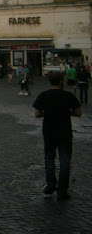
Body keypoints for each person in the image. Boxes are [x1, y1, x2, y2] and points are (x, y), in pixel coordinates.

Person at [33, 72, 82, 200]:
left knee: (49, 158)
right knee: (65, 161)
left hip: (49, 131)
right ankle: (62, 190)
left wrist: (47, 113)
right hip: (64, 132)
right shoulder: (68, 96)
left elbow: (37, 114)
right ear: (61, 81)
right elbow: (78, 112)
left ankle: (50, 185)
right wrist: (69, 112)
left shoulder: (44, 95)